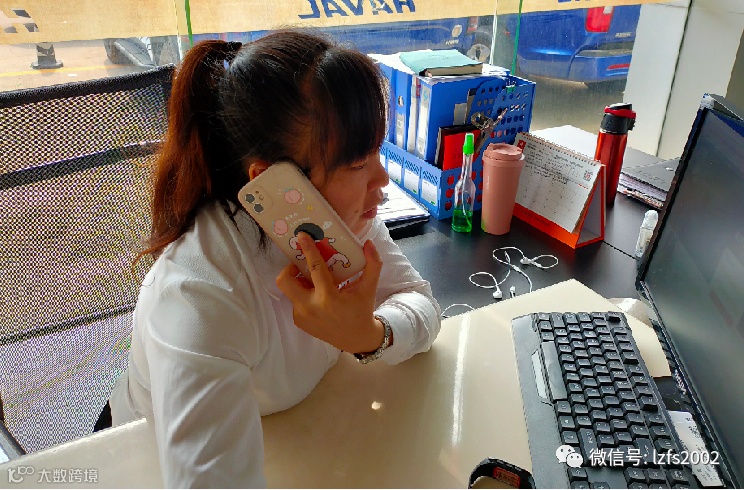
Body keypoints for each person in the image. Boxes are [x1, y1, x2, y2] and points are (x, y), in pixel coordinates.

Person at [106, 30, 441, 487]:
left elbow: (421, 302)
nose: (382, 180)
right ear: (276, 183)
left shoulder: (339, 227)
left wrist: (369, 335)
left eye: (376, 154)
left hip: (307, 439)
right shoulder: (199, 296)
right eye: (357, 164)